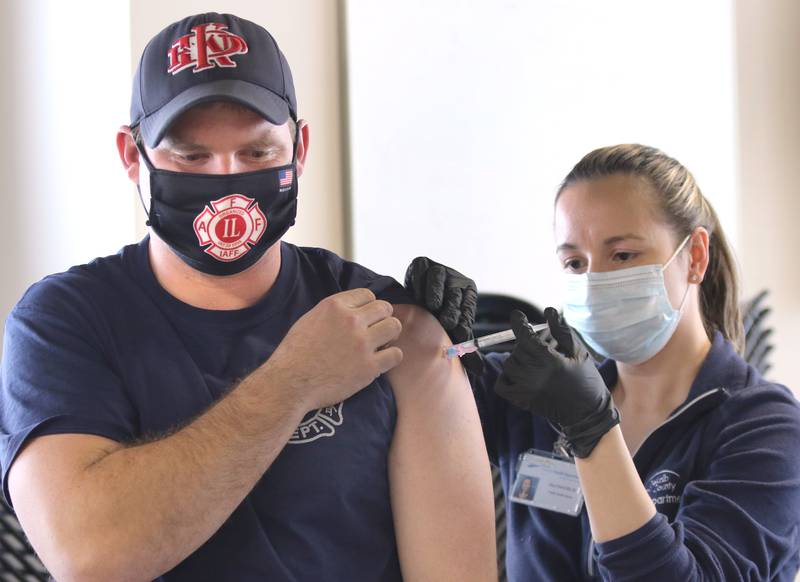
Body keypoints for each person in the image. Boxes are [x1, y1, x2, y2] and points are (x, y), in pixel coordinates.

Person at [0, 13, 497, 582]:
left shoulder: (390, 323)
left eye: (258, 154)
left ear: (299, 148)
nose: (227, 179)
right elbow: (88, 555)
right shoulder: (65, 322)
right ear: (132, 157)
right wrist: (292, 381)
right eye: (191, 157)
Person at [407, 144, 800, 580]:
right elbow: (399, 410)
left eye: (624, 255)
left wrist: (591, 431)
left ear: (695, 257)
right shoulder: (538, 393)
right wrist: (426, 333)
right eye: (575, 262)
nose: (595, 281)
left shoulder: (765, 429)